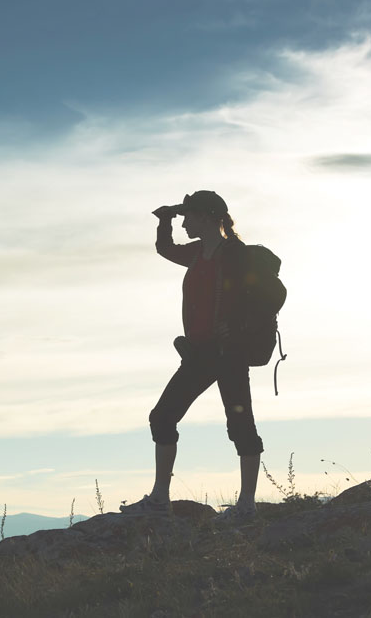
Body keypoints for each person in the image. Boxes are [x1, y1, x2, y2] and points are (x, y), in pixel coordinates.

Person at [119, 190, 264, 522]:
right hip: (199, 353)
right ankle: (159, 498)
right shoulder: (199, 252)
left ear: (206, 217)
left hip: (228, 353)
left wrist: (239, 331)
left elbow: (253, 298)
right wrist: (165, 220)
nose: (184, 223)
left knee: (240, 424)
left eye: (188, 217)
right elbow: (164, 249)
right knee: (162, 417)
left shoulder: (235, 254)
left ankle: (247, 505)